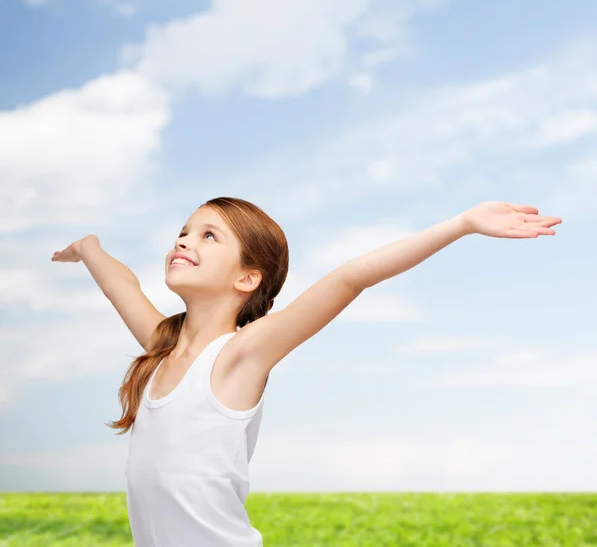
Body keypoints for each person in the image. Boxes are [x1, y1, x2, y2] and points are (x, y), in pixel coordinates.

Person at [51, 196, 562, 546]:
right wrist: (89, 248)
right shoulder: (161, 348)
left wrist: (461, 224)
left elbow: (348, 278)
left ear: (248, 278)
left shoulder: (239, 356)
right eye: (183, 232)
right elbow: (120, 284)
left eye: (208, 236)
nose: (185, 241)